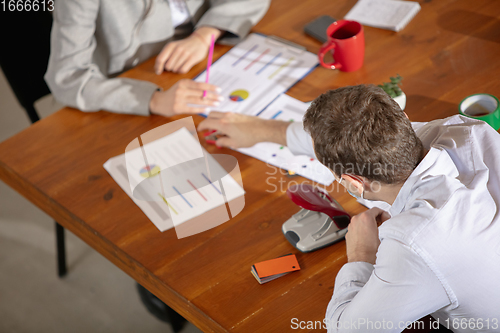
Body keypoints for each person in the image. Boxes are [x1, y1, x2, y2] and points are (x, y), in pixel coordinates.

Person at [197, 85, 500, 332]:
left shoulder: (415, 245)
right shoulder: (465, 131)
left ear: (353, 184)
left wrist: (360, 255)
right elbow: (354, 137)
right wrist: (262, 130)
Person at [45, 0, 270, 117]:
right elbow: (67, 76)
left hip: (203, 61)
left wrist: (205, 35)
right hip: (132, 87)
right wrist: (153, 100)